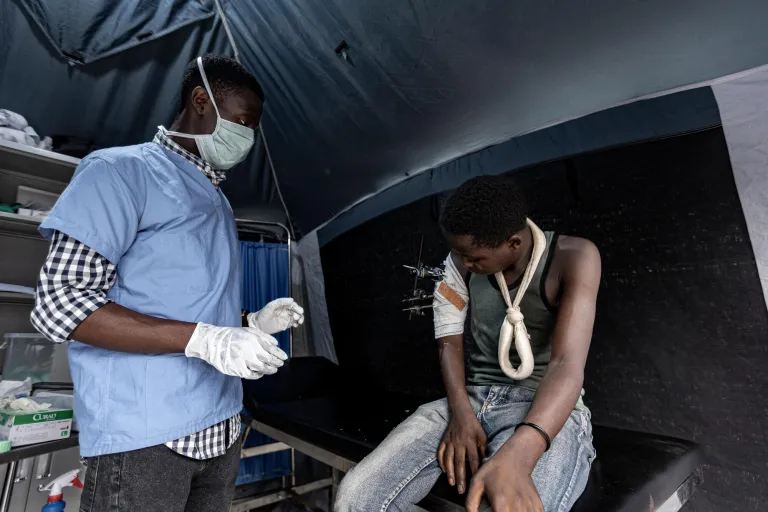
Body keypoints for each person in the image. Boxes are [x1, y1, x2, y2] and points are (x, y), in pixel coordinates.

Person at [30, 54, 303, 512]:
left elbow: (187, 304)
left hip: (221, 428)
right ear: (201, 100)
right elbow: (61, 302)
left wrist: (248, 322)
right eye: (242, 121)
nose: (248, 137)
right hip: (146, 440)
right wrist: (204, 340)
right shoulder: (119, 173)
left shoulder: (214, 195)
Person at [335, 175, 601, 512]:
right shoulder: (458, 261)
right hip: (473, 400)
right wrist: (460, 414)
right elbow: (448, 340)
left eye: (474, 258)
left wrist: (522, 450)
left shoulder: (574, 256)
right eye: (459, 255)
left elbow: (566, 365)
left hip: (545, 409)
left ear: (513, 243)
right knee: (354, 499)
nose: (464, 265)